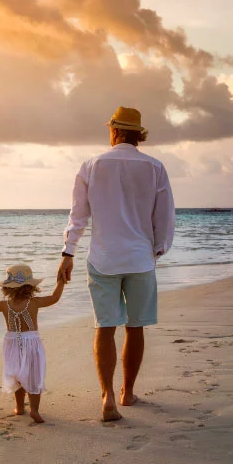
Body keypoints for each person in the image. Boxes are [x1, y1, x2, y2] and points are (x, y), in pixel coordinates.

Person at [57, 106, 175, 422]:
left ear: (115, 131)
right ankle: (127, 392)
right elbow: (163, 217)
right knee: (135, 327)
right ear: (137, 134)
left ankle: (107, 394)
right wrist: (157, 250)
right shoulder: (154, 168)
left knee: (104, 327)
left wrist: (67, 253)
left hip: (103, 258)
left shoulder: (91, 166)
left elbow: (78, 215)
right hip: (139, 258)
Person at [0, 264, 65, 424]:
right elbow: (54, 298)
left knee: (17, 375)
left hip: (12, 343)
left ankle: (19, 407)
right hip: (31, 342)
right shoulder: (34, 303)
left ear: (8, 288)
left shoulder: (4, 305)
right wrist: (61, 282)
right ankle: (34, 410)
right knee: (33, 375)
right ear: (30, 287)